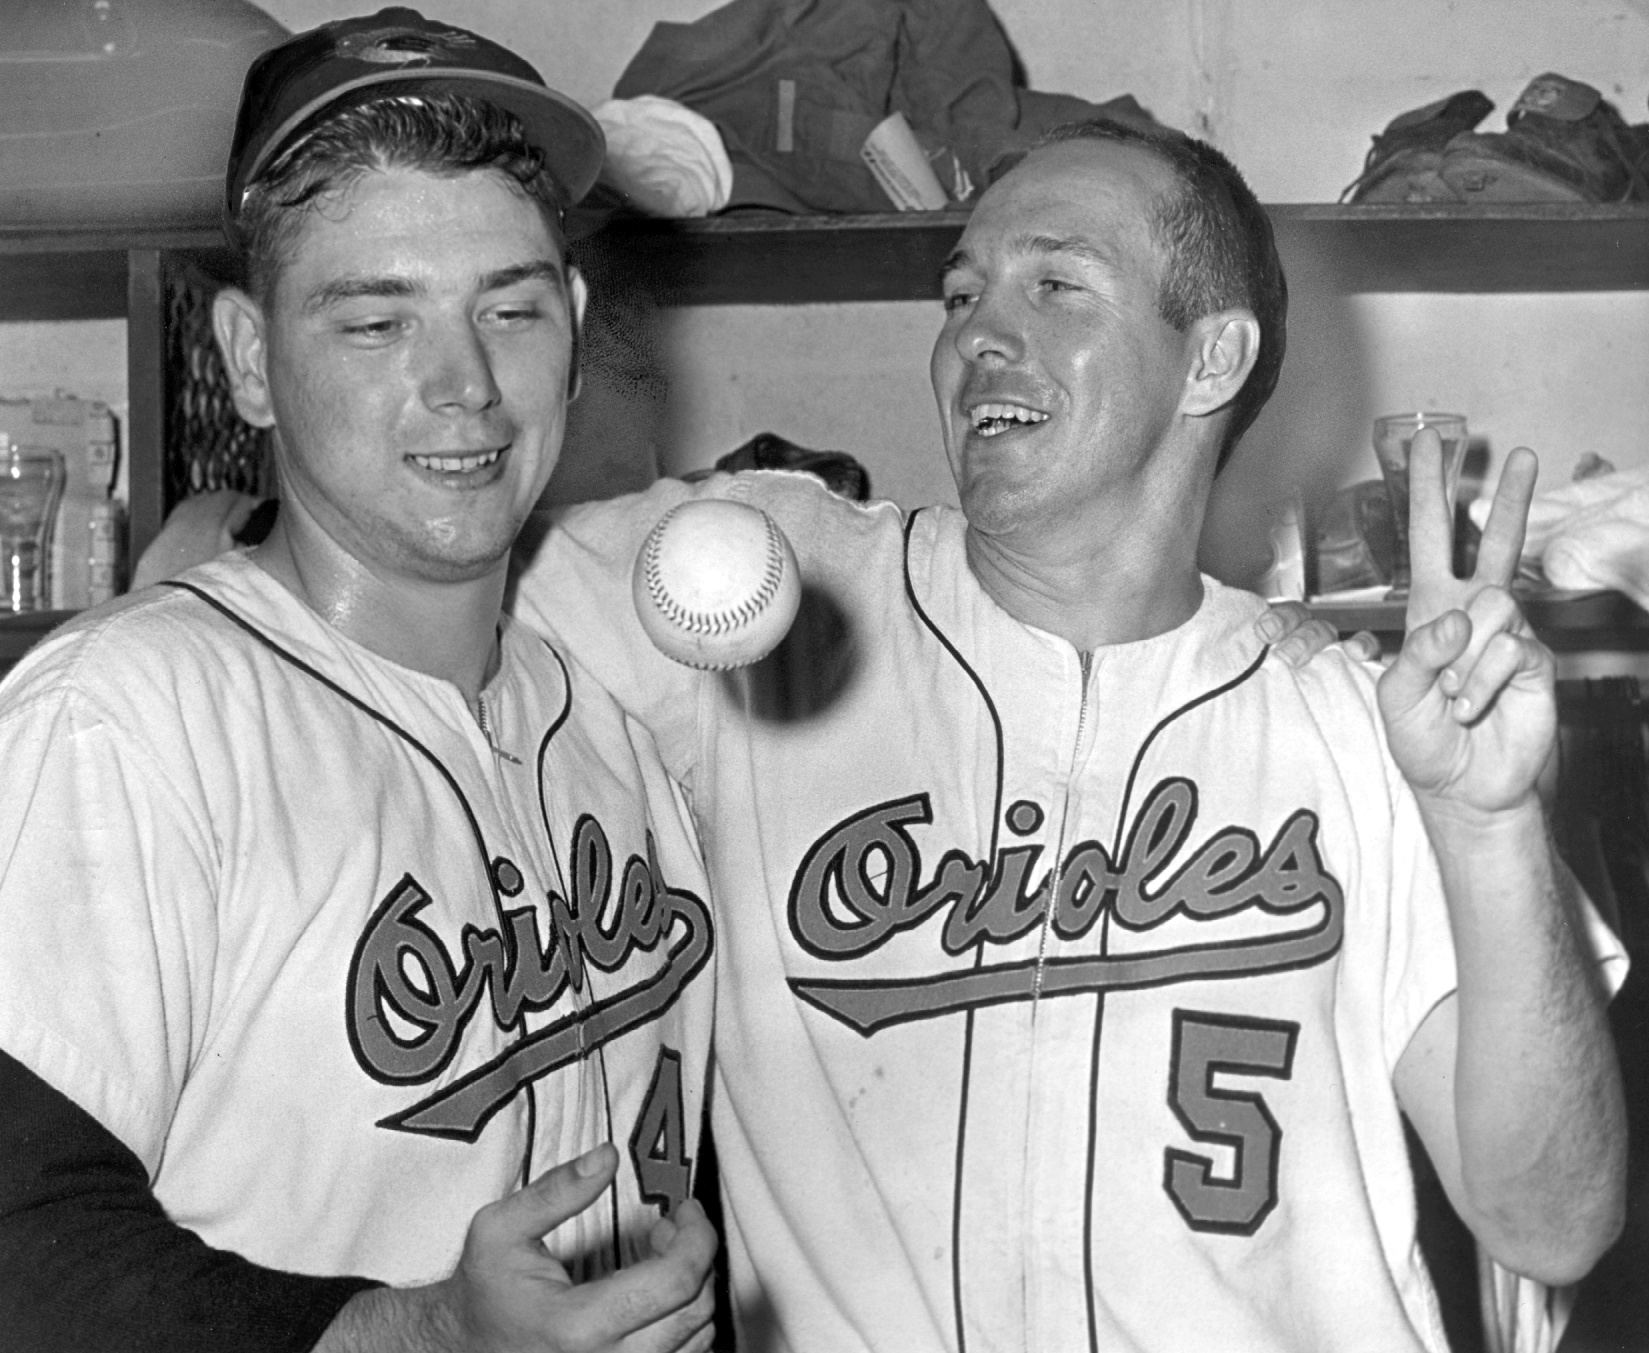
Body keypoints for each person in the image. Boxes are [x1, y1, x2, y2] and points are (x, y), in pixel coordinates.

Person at [511, 121, 1629, 1351]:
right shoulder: (772, 584)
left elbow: (1549, 1222)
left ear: (1210, 358)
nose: (977, 334)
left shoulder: (1355, 724)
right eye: (960, 292)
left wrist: (1488, 826)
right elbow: (400, 570)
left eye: (1054, 284)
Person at [0, 10, 717, 1353]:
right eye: (378, 323)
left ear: (568, 324)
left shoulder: (611, 724)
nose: (465, 388)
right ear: (253, 360)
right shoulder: (125, 722)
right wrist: (428, 1333)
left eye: (507, 308)